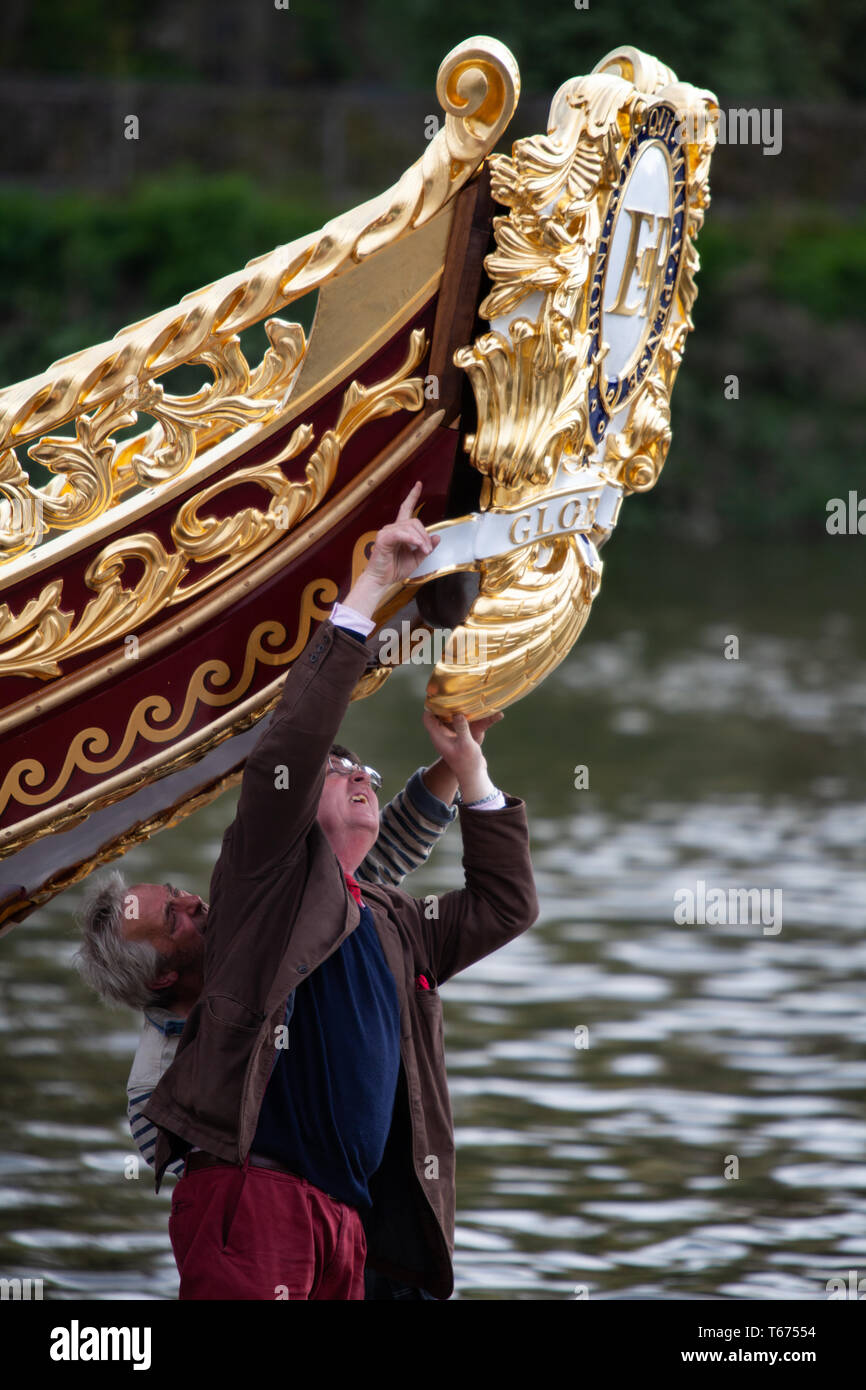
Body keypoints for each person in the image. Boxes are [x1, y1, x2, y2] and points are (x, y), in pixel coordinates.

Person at [85, 481, 538, 1299]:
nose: (360, 772)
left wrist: (470, 770)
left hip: (356, 1228)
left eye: (365, 768)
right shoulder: (263, 887)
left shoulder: (390, 917)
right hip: (259, 1203)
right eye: (341, 770)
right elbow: (293, 740)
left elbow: (504, 906)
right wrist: (373, 581)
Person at [78, 745, 495, 1297]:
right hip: (289, 1232)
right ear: (159, 977)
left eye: (181, 894)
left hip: (365, 1218)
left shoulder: (271, 924)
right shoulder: (154, 1088)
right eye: (175, 919)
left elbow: (375, 852)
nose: (198, 905)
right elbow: (230, 1203)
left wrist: (461, 755)